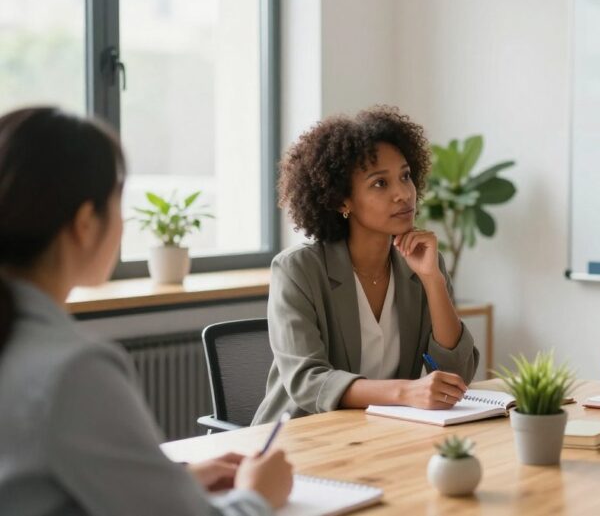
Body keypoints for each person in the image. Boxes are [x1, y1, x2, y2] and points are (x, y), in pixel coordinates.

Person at [0, 107, 292, 515]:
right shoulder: (74, 370)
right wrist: (259, 494)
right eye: (117, 204)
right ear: (85, 223)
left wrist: (172, 482)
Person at [253, 106, 478, 424]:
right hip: (301, 438)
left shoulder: (422, 265)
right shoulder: (298, 270)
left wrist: (433, 280)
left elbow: (456, 376)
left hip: (384, 435)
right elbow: (307, 381)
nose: (403, 193)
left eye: (405, 176)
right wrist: (405, 392)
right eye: (379, 184)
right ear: (342, 200)